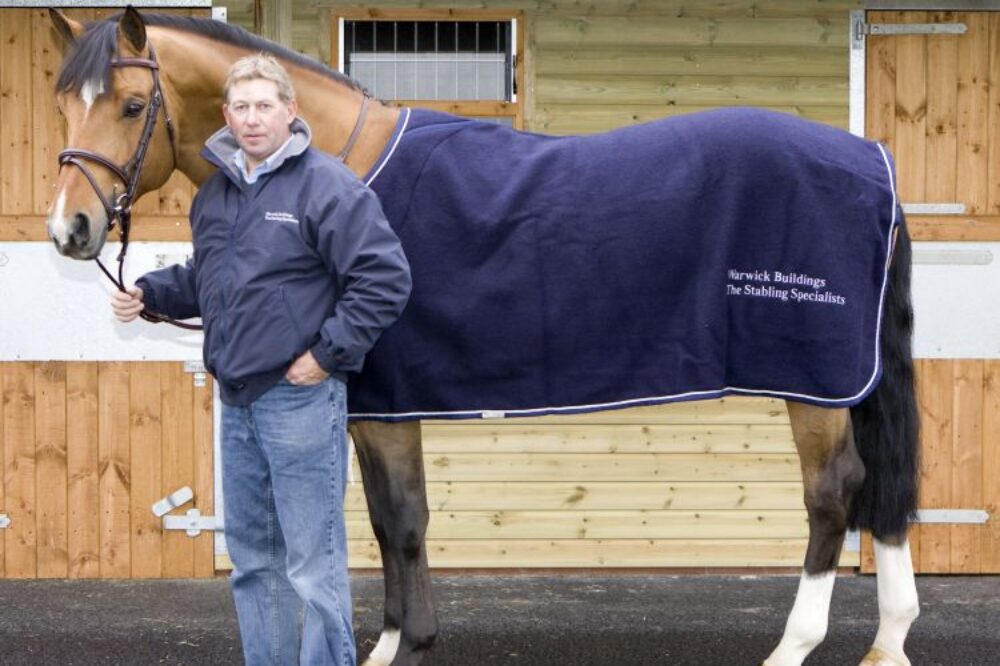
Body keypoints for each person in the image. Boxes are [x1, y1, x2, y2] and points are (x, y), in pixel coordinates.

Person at [111, 54, 411, 666]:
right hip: (237, 400)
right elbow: (212, 277)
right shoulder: (218, 193)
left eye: (264, 106)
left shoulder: (327, 185)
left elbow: (385, 277)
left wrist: (326, 357)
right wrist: (152, 293)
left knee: (311, 562)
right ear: (226, 115)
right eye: (241, 108)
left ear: (289, 112)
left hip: (300, 398)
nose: (252, 119)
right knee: (253, 562)